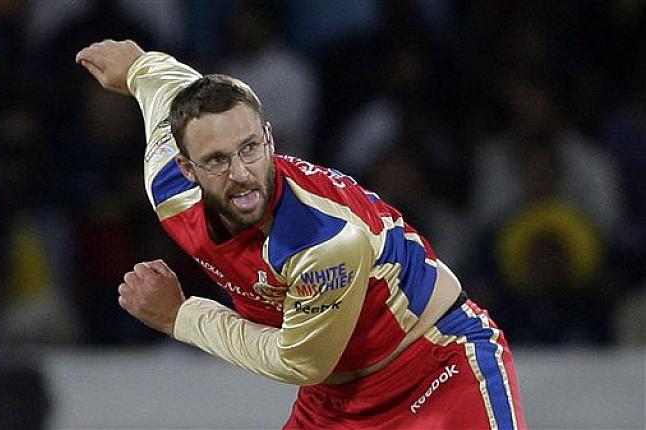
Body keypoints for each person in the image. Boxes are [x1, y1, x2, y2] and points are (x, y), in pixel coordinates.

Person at [75, 39, 526, 430]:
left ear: (269, 139)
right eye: (216, 160)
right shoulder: (169, 187)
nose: (240, 174)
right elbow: (172, 90)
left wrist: (180, 316)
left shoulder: (323, 240)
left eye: (250, 149)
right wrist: (138, 67)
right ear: (187, 169)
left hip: (435, 368)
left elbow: (299, 360)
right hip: (335, 396)